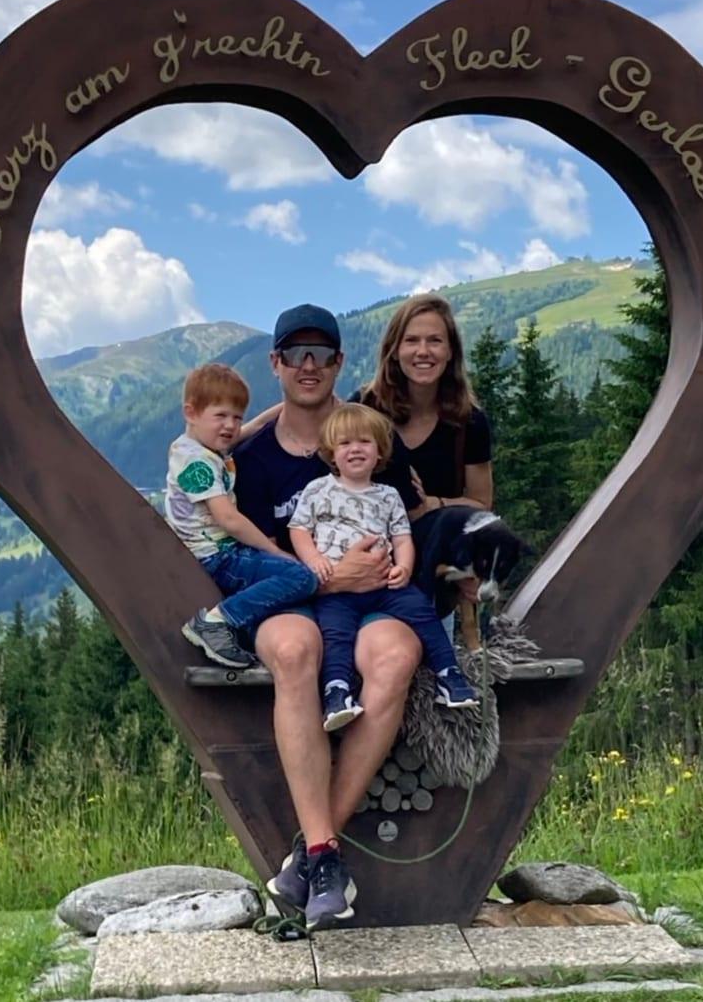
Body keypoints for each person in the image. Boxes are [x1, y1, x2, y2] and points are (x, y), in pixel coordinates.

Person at [232, 304, 426, 931]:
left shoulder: (368, 438)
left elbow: (408, 522)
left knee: (396, 657)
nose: (308, 366)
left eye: (321, 354)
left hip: (370, 600)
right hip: (287, 602)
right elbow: (240, 548)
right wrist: (327, 577)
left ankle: (315, 854)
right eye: (296, 354)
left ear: (340, 362)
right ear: (276, 364)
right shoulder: (251, 458)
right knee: (294, 652)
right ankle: (322, 856)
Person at [289, 403, 478, 732]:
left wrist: (403, 567)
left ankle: (449, 675)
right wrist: (314, 560)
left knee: (423, 612)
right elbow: (299, 529)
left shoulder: (388, 495)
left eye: (364, 442)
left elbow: (402, 537)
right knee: (335, 633)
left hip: (385, 584)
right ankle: (337, 691)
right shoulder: (318, 490)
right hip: (338, 586)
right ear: (332, 453)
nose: (355, 449)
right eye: (345, 443)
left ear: (379, 452)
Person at [166, 363, 319, 669]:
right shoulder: (197, 462)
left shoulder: (196, 444)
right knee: (301, 577)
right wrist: (274, 550)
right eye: (221, 416)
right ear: (191, 413)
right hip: (217, 556)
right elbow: (229, 519)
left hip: (218, 551)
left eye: (236, 417)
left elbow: (255, 426)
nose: (231, 426)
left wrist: (291, 407)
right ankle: (217, 622)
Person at [354, 293, 493, 513]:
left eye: (435, 341)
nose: (423, 352)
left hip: (439, 532)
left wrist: (431, 504)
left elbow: (482, 503)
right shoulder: (364, 407)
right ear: (394, 351)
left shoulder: (469, 421)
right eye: (411, 340)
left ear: (450, 351)